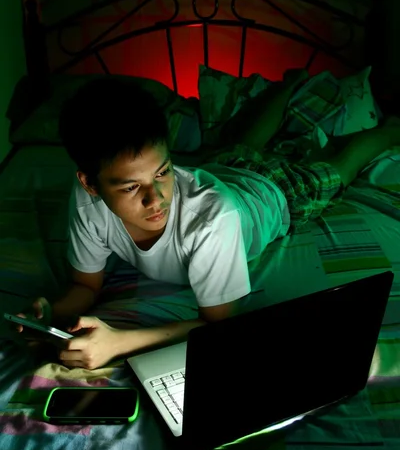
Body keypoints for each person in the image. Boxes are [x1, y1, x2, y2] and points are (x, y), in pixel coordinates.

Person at [17, 73, 400, 369]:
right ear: (91, 183)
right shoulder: (86, 201)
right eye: (132, 187)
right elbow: (85, 285)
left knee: (336, 167)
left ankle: (390, 127)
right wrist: (53, 313)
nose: (156, 199)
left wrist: (118, 342)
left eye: (163, 172)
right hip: (219, 170)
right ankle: (288, 84)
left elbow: (217, 324)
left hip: (272, 195)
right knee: (241, 146)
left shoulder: (213, 220)